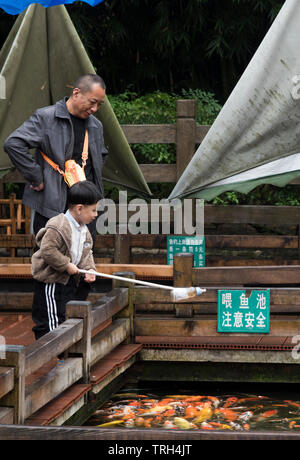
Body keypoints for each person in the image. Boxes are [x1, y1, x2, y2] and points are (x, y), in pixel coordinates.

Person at [4, 73, 108, 298]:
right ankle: (47, 327)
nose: (95, 109)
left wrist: (93, 193)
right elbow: (14, 143)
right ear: (76, 93)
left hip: (83, 209)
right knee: (50, 266)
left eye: (99, 104)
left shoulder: (96, 126)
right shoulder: (46, 117)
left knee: (82, 264)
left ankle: (76, 320)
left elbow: (101, 156)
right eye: (92, 102)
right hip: (52, 205)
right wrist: (37, 177)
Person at [31, 180, 101, 340]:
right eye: (93, 210)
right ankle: (54, 354)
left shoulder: (84, 229)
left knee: (67, 314)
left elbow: (86, 252)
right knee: (51, 319)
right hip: (51, 281)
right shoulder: (58, 225)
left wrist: (90, 268)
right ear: (79, 208)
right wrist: (65, 264)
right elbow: (48, 250)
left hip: (68, 280)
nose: (96, 214)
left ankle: (64, 352)